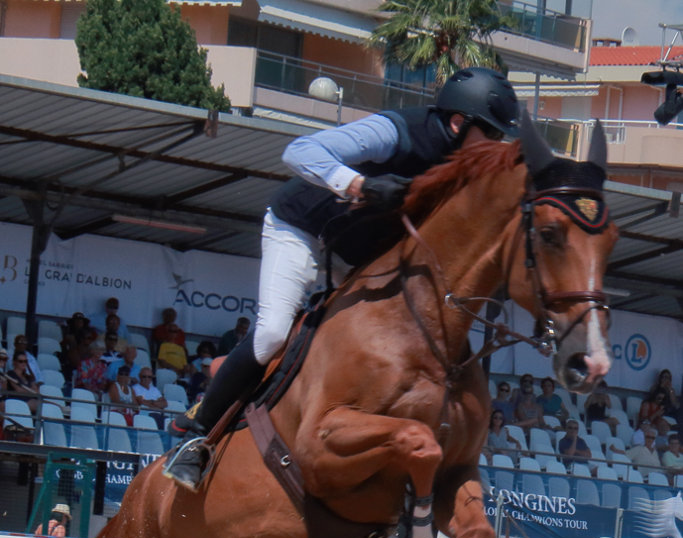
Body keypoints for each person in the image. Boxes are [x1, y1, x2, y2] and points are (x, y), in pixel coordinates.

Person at [163, 66, 520, 489]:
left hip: (360, 254)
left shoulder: (472, 169)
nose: (496, 145)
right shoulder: (396, 131)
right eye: (492, 134)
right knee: (274, 333)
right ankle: (197, 432)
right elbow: (299, 152)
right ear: (460, 123)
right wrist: (359, 185)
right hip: (301, 227)